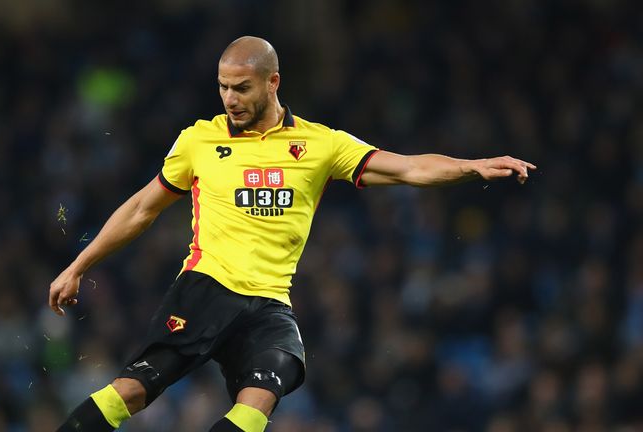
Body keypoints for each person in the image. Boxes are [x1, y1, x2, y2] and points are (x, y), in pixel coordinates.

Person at [49, 36, 536, 432]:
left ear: (272, 81)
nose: (229, 99)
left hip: (269, 306)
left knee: (262, 396)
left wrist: (472, 166)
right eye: (222, 87)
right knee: (133, 392)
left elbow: (408, 168)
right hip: (206, 289)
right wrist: (77, 267)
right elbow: (140, 210)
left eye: (241, 87)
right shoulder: (199, 140)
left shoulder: (321, 145)